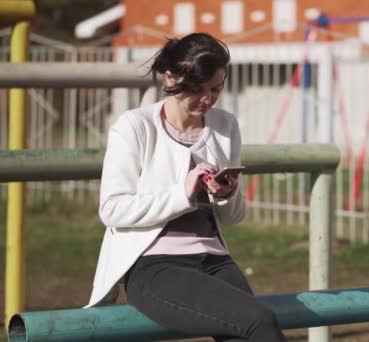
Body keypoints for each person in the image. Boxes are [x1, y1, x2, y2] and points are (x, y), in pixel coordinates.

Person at [86, 32, 287, 342]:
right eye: (197, 89)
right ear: (171, 77)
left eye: (216, 89)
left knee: (250, 330)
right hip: (154, 266)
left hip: (215, 258)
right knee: (259, 322)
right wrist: (183, 192)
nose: (207, 99)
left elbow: (234, 217)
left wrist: (226, 193)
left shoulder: (225, 125)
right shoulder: (135, 126)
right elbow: (112, 209)